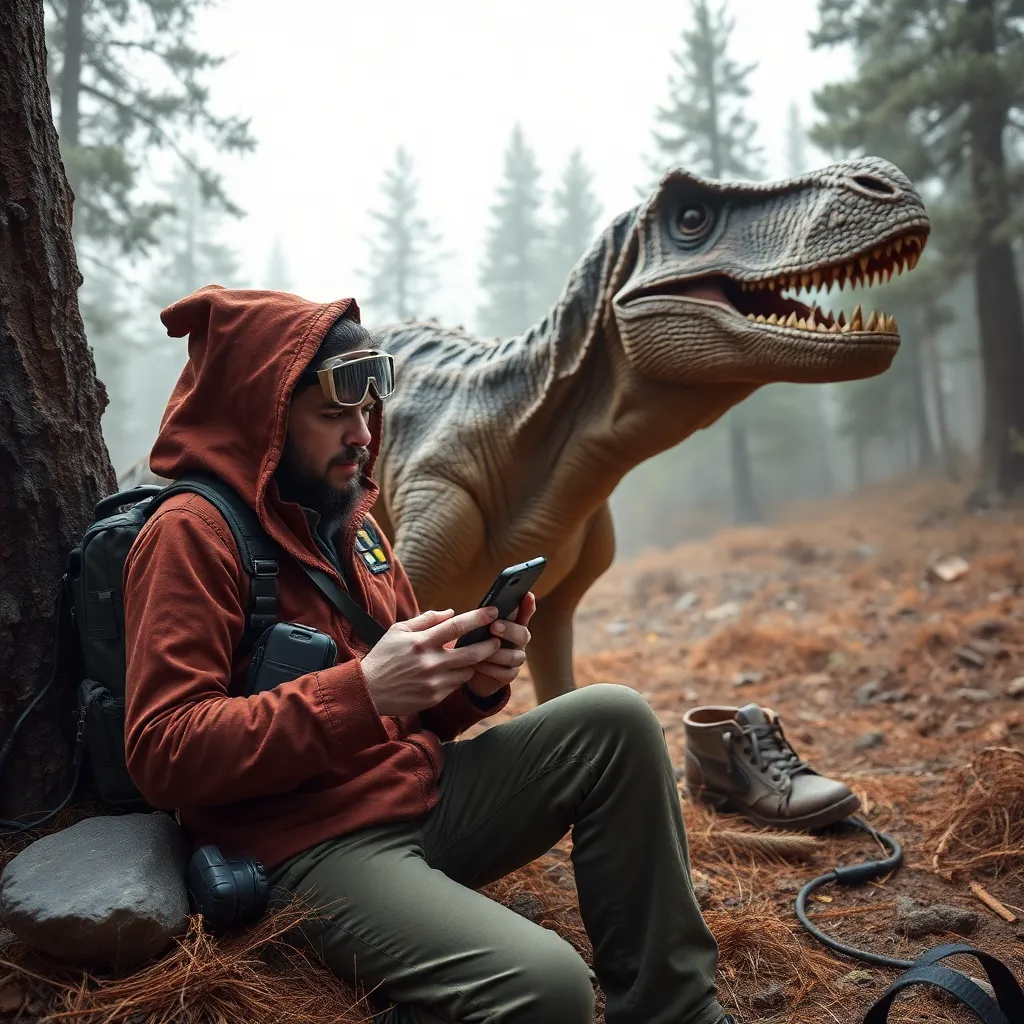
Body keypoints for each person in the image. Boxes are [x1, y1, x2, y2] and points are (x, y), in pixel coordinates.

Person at [123, 286, 732, 1024]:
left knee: (615, 719)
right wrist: (365, 691)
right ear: (267, 415)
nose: (362, 436)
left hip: (416, 793)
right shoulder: (191, 535)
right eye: (334, 414)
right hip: (307, 849)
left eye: (367, 413)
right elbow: (163, 752)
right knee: (549, 988)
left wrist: (469, 683)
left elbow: (402, 710)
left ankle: (677, 1011)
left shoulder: (353, 523)